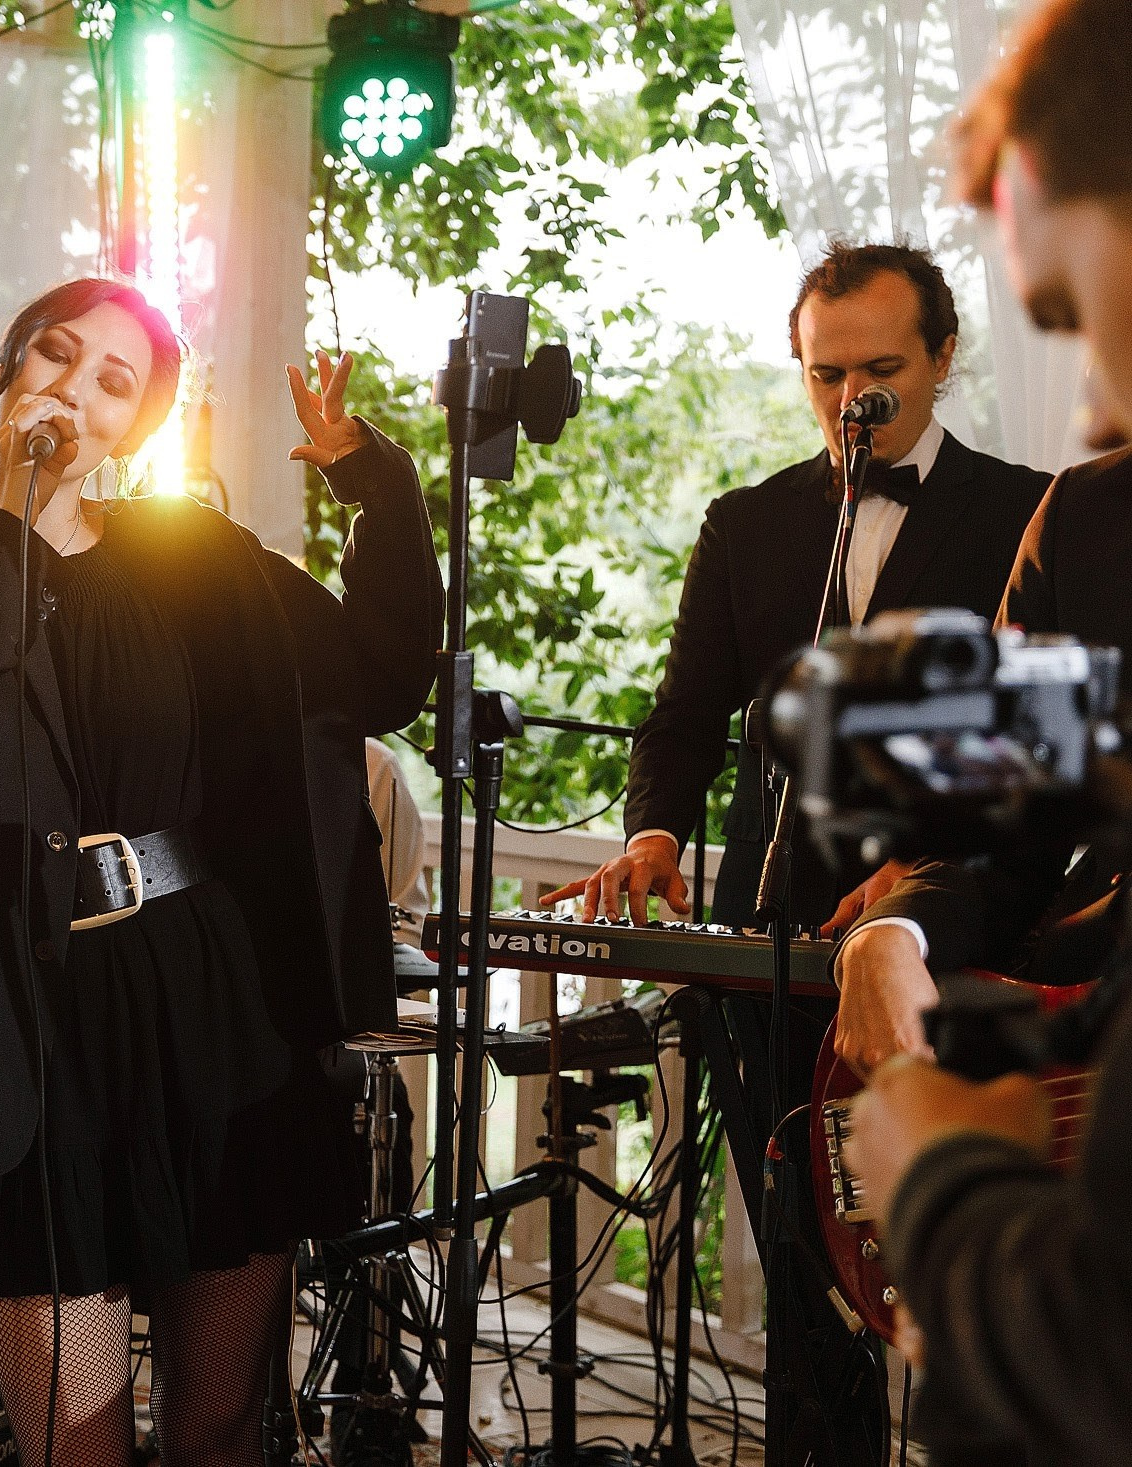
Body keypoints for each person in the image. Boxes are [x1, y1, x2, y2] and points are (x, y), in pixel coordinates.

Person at [0, 278, 439, 1465]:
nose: (75, 390)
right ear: (10, 368)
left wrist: (373, 482)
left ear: (135, 425)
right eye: (55, 354)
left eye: (115, 380)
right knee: (72, 1446)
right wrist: (9, 521)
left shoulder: (194, 556)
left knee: (217, 1431)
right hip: (20, 1027)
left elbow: (382, 676)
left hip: (211, 1009)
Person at [841, 5, 1132, 1458]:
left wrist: (948, 1188)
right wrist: (899, 926)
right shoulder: (1089, 518)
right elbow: (1002, 813)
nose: (1090, 403)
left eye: (1071, 311)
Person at [542, 243, 1049, 931]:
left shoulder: (1028, 512)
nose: (851, 401)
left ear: (942, 356)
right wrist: (653, 838)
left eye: (882, 371)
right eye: (827, 375)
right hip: (767, 908)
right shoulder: (743, 524)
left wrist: (931, 862)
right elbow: (685, 715)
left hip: (947, 920)